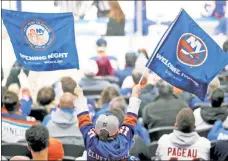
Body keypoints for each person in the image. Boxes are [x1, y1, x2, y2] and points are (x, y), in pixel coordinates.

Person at [73, 85, 142, 160]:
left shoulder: (91, 140)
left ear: (95, 131)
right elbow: (131, 117)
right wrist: (135, 94)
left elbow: (83, 117)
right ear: (118, 131)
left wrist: (79, 95)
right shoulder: (123, 140)